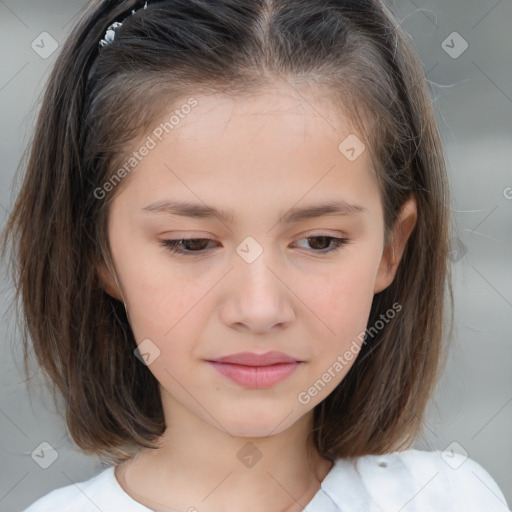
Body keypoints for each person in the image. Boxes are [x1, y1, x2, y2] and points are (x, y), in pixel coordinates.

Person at [1, 0, 508, 511]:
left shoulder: (449, 498)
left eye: (320, 242)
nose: (260, 309)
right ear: (100, 252)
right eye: (191, 243)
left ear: (391, 247)